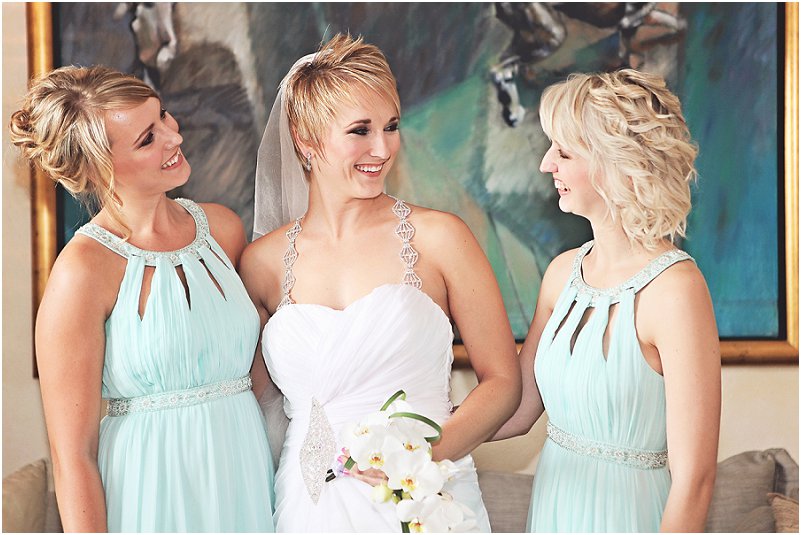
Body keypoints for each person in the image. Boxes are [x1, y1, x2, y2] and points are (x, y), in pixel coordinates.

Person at [240, 33, 522, 532]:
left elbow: (502, 382)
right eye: (360, 130)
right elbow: (249, 405)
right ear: (305, 140)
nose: (383, 147)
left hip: (426, 499)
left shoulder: (441, 238)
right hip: (310, 507)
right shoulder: (262, 264)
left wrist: (420, 460)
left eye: (391, 126)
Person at [9, 65, 275, 532]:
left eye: (163, 116)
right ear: (100, 167)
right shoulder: (82, 271)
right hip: (152, 491)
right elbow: (74, 457)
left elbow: (263, 379)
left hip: (244, 477)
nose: (174, 136)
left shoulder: (224, 230)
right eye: (147, 139)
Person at [492, 68, 721, 532]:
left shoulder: (676, 289)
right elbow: (517, 408)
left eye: (563, 151)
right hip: (554, 511)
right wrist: (414, 432)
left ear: (615, 163)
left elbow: (695, 480)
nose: (546, 164)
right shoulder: (561, 274)